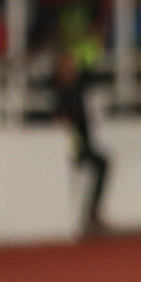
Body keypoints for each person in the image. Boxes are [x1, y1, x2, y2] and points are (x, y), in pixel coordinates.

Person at [49, 36, 110, 234]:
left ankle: (92, 211)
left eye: (72, 65)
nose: (70, 69)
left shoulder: (78, 87)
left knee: (101, 163)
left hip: (81, 143)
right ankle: (85, 212)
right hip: (64, 145)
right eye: (66, 66)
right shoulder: (55, 90)